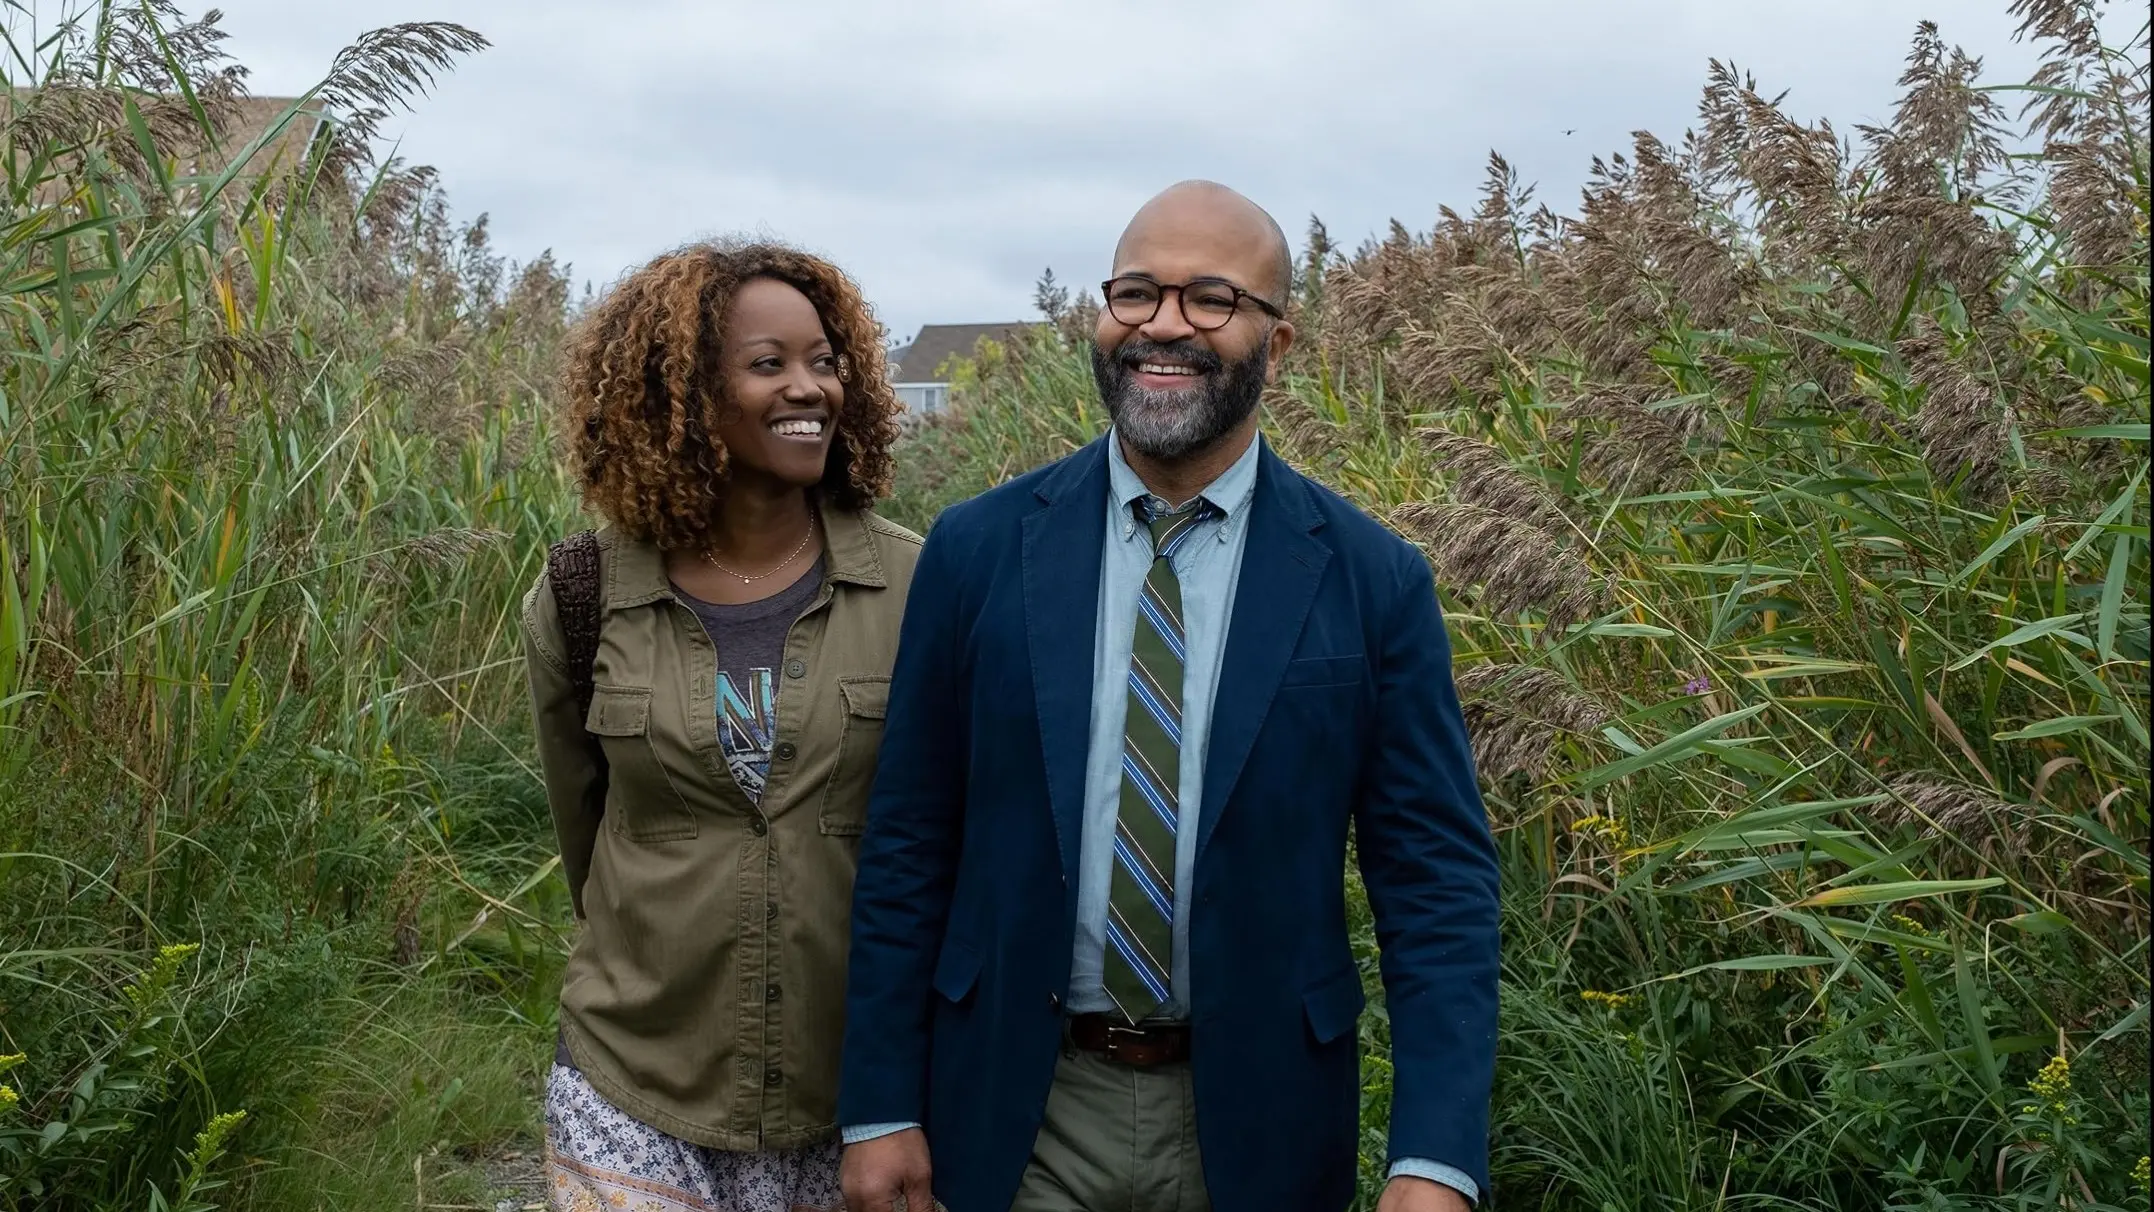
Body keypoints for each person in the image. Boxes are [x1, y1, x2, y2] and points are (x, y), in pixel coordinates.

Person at [836, 180, 1499, 1212]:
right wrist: (880, 1106)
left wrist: (1435, 1157)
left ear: (1277, 345)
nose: (1164, 326)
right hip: (1024, 1098)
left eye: (1211, 300)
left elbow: (1437, 887)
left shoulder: (1372, 580)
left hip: (1257, 1114)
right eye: (1136, 293)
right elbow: (909, 838)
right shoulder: (977, 550)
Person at [523, 240, 918, 1212]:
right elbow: (590, 839)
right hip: (632, 1084)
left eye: (825, 361)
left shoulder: (922, 587)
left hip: (854, 1104)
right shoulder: (583, 594)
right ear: (683, 394)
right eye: (768, 363)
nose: (810, 387)